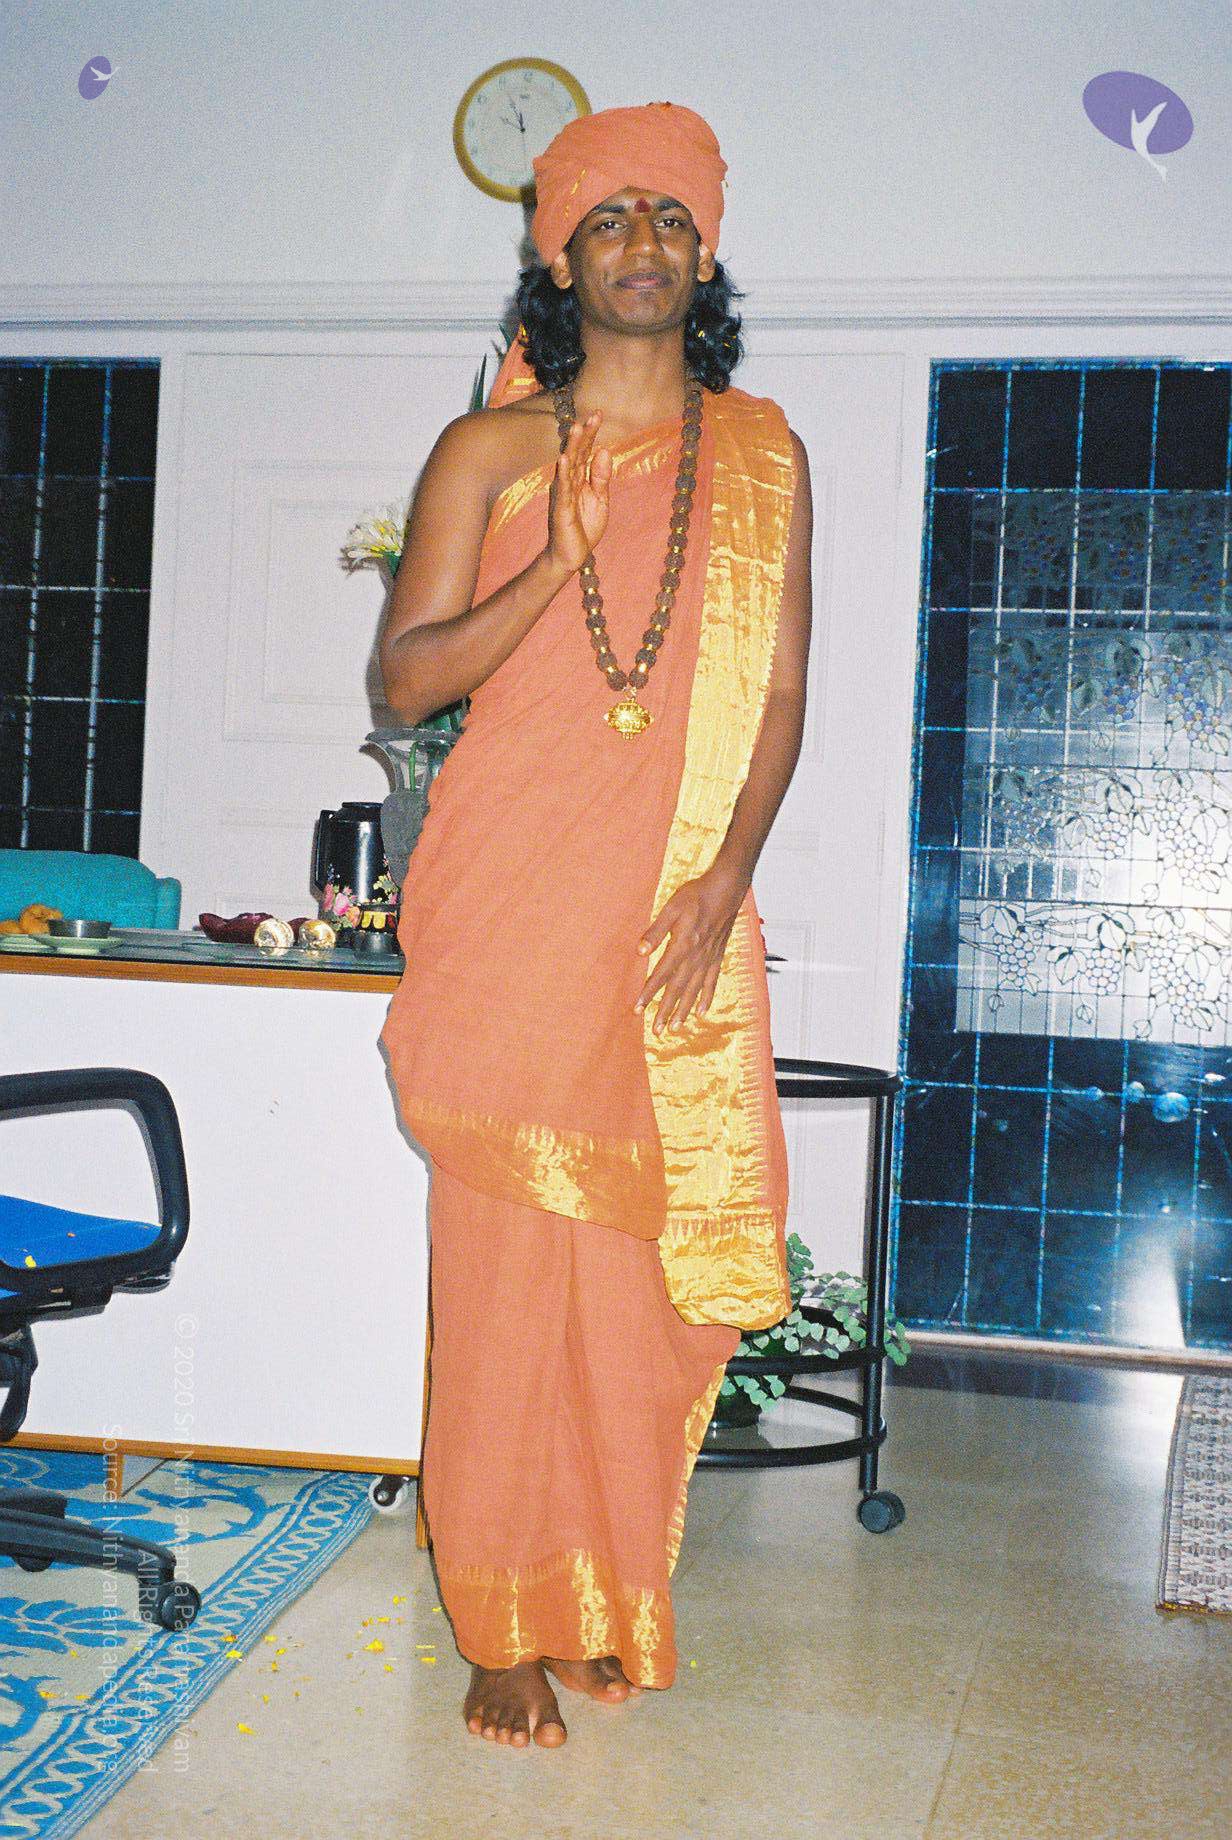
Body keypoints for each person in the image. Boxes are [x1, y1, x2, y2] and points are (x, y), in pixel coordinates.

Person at [377, 100, 813, 1750]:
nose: (643, 242)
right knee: (502, 1269)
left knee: (633, 1280)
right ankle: (499, 1620)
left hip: (671, 913)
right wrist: (551, 563)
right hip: (512, 903)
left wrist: (723, 880)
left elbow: (781, 695)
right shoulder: (488, 453)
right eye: (609, 217)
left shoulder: (762, 455)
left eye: (671, 217)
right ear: (559, 258)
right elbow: (405, 679)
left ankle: (604, 1598)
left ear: (706, 256)